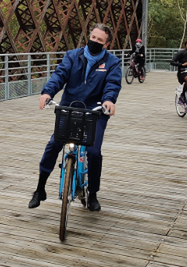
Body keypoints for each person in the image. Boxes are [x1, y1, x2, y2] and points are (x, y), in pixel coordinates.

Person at [28, 24, 122, 212]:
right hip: (70, 107)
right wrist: (47, 93)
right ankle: (40, 189)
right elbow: (59, 75)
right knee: (54, 145)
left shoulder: (112, 62)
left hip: (96, 110)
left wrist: (109, 100)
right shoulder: (72, 55)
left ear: (107, 44)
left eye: (100, 40)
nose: (94, 41)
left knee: (94, 153)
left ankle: (93, 193)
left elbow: (112, 83)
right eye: (93, 37)